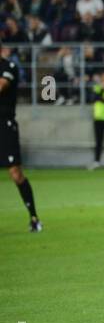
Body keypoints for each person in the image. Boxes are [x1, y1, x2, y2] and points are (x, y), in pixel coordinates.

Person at [0, 45, 42, 231]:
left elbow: (2, 85)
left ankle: (34, 218)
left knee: (15, 173)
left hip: (5, 125)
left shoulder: (9, 67)